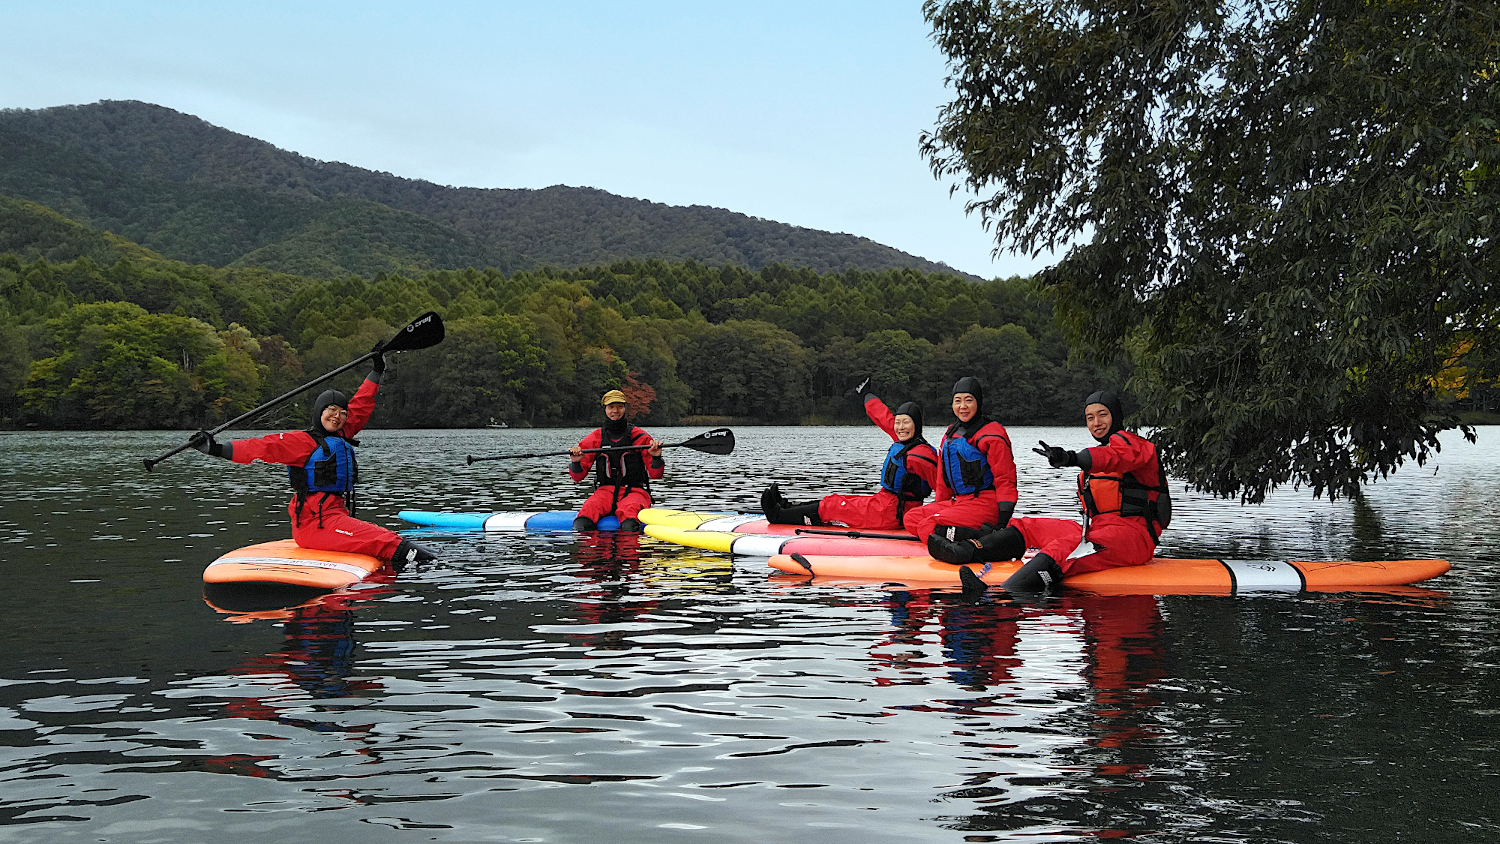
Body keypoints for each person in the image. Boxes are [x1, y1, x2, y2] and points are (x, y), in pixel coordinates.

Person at [190, 350, 434, 569]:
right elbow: (261, 447)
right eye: (331, 411)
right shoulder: (301, 442)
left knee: (397, 542)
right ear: (319, 412)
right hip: (314, 526)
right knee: (392, 544)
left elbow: (361, 405)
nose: (337, 417)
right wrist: (217, 449)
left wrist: (377, 371)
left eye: (341, 413)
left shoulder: (343, 434)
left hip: (335, 518)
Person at [927, 390, 1171, 593]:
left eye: (1102, 415)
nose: (1096, 423)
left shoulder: (1138, 447)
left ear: (1115, 416)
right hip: (1098, 530)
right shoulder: (1093, 465)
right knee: (1027, 526)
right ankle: (966, 551)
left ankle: (998, 596)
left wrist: (1071, 458)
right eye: (1089, 418)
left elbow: (1114, 457)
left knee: (1064, 547)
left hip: (1134, 538)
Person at [761, 393, 940, 529]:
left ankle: (778, 515)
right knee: (836, 499)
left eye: (906, 423)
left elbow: (942, 488)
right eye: (898, 422)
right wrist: (868, 397)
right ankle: (787, 507)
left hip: (893, 514)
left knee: (835, 506)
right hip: (885, 504)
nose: (900, 427)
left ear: (916, 425)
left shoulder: (921, 455)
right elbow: (884, 418)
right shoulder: (904, 441)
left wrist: (938, 519)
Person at [901, 376, 1018, 541]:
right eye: (957, 401)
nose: (962, 406)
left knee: (928, 524)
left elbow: (1005, 480)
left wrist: (1002, 522)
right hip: (959, 502)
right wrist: (940, 506)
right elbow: (943, 480)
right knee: (911, 518)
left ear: (978, 402)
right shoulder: (951, 433)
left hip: (985, 504)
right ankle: (957, 534)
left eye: (968, 400)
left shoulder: (993, 434)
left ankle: (983, 538)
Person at [568, 389, 664, 531]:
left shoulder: (639, 437)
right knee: (582, 522)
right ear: (605, 409)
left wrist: (656, 457)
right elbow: (577, 477)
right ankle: (594, 553)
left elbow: (656, 475)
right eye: (611, 407)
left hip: (635, 492)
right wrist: (576, 462)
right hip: (605, 492)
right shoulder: (595, 438)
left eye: (619, 406)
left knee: (629, 524)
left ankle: (629, 551)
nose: (615, 411)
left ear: (625, 408)